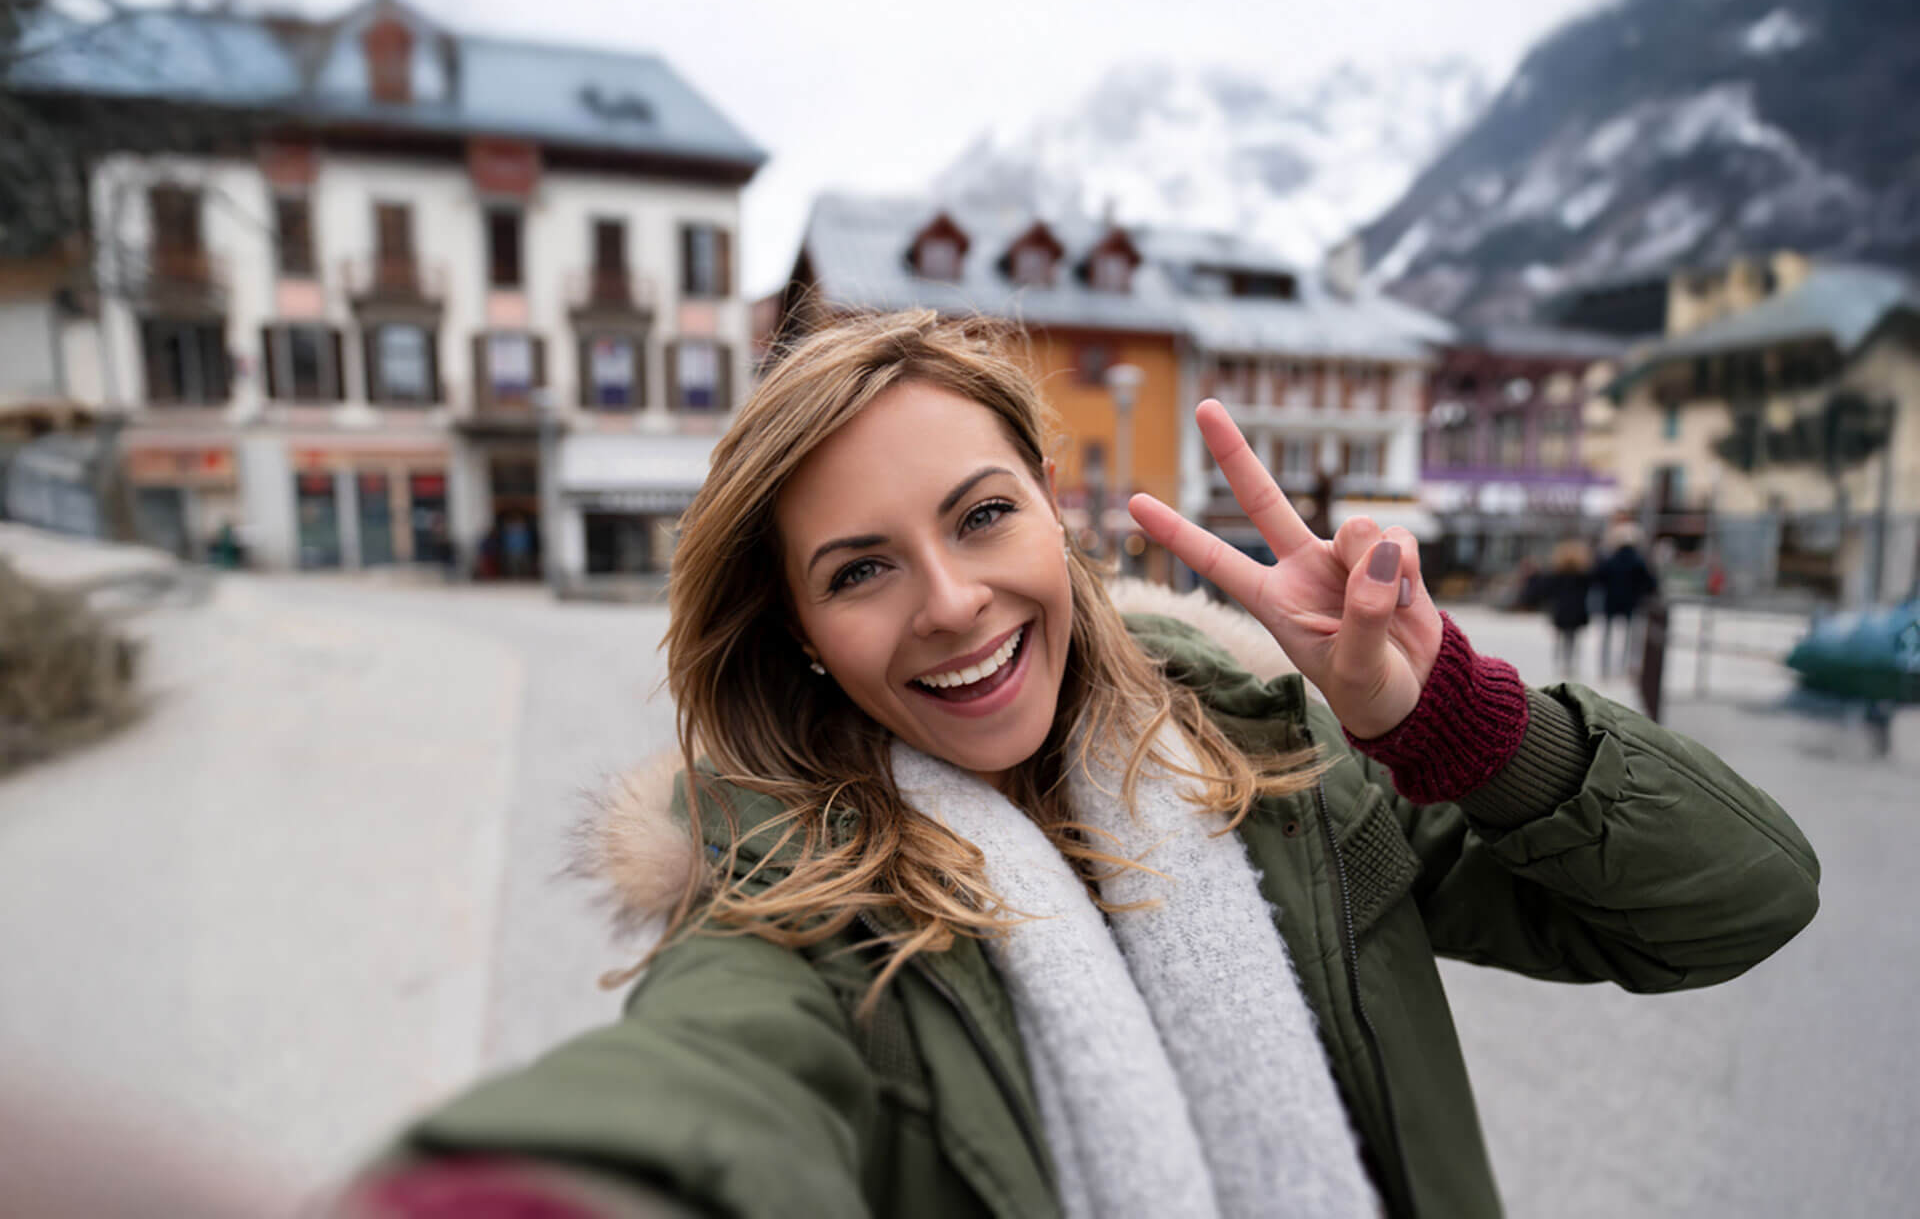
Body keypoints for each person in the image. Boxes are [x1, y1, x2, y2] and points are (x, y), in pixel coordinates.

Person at [339, 312, 1818, 1219]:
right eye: (861, 570)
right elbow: (705, 1091)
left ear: (1057, 514)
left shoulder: (1284, 770)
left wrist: (1454, 718)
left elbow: (1736, 904)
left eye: (982, 517)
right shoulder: (795, 916)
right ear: (797, 633)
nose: (953, 601)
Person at [1593, 522, 1659, 677]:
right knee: (1629, 638)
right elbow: (1650, 583)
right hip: (1631, 603)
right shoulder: (1638, 561)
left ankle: (1605, 668)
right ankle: (1623, 668)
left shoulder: (1610, 560)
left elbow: (1597, 578)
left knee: (1607, 636)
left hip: (1610, 602)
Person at [1525, 538, 1596, 679]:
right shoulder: (1583, 576)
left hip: (1561, 611)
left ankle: (1560, 664)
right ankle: (1571, 665)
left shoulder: (1556, 575)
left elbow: (1545, 591)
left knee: (1561, 639)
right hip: (1577, 612)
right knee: (1573, 640)